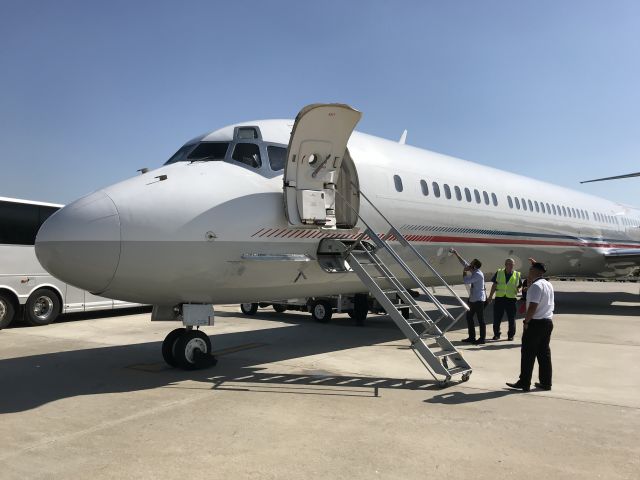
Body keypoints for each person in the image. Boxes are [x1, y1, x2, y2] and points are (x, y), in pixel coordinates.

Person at [506, 262, 554, 392]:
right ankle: (546, 382)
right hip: (547, 322)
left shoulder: (536, 286)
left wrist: (526, 321)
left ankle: (524, 382)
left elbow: (533, 306)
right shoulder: (548, 284)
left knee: (528, 354)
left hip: (536, 324)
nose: (529, 272)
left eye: (530, 270)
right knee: (544, 354)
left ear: (535, 271)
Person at [450, 248, 486, 344]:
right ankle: (472, 337)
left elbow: (466, 281)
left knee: (480, 319)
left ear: (474, 266)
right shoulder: (474, 270)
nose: (469, 264)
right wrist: (456, 253)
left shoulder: (478, 274)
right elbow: (463, 263)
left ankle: (482, 338)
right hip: (473, 299)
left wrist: (464, 271)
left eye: (471, 263)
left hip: (479, 299)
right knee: (469, 317)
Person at [486, 258, 522, 341]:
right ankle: (496, 334)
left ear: (514, 265)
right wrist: (490, 296)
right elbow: (494, 285)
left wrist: (518, 290)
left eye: (512, 264)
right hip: (500, 298)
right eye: (509, 264)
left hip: (511, 299)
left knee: (511, 318)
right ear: (505, 264)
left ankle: (511, 335)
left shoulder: (516, 274)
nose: (510, 265)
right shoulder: (499, 272)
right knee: (497, 318)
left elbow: (520, 286)